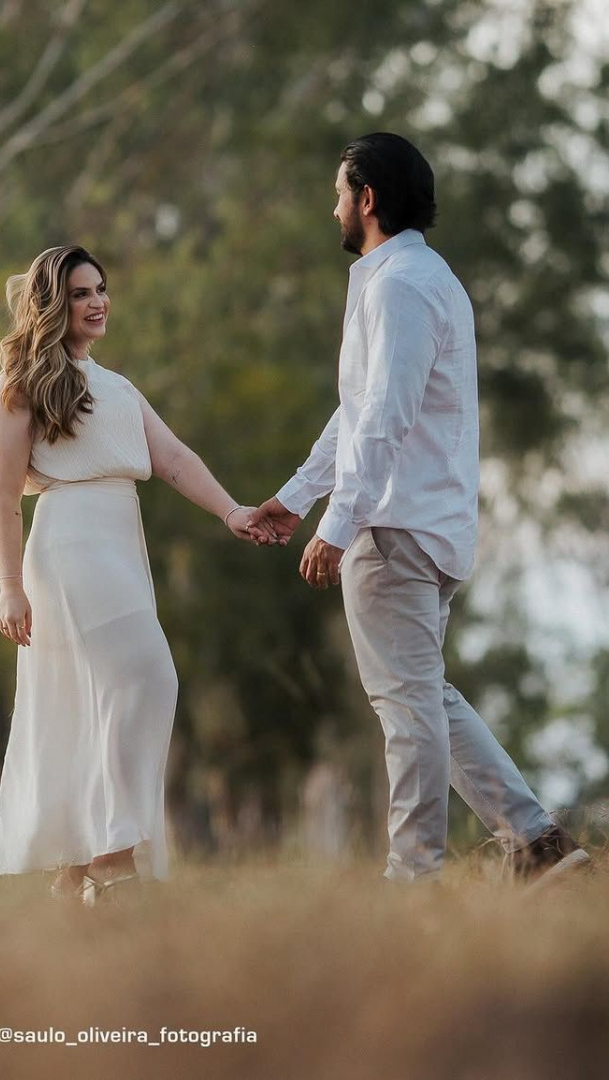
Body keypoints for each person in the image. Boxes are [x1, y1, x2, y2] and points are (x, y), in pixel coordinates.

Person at [247, 133, 590, 887]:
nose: (332, 208)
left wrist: (337, 524)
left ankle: (414, 881)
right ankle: (538, 844)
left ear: (367, 199)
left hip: (395, 528)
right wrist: (298, 496)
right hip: (422, 525)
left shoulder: (399, 287)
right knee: (425, 698)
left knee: (406, 709)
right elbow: (360, 411)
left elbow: (384, 419)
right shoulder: (421, 279)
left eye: (339, 193)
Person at [0, 245, 261, 902]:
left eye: (101, 289)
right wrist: (10, 587)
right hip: (68, 547)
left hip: (120, 543)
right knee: (148, 677)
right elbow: (1, 495)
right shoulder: (18, 387)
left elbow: (174, 459)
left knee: (111, 697)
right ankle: (111, 856)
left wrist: (232, 511)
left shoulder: (117, 387)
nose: (98, 302)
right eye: (81, 293)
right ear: (54, 304)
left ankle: (74, 871)